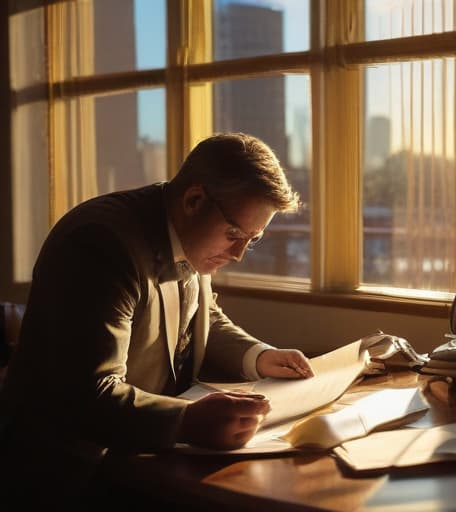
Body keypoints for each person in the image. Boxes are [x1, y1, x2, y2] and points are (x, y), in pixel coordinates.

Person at [0, 132, 314, 503]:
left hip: (139, 457)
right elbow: (87, 396)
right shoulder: (101, 245)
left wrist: (258, 357)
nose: (239, 253)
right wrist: (188, 420)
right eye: (234, 233)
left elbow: (202, 318)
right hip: (64, 476)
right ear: (194, 200)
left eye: (253, 238)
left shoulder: (194, 232)